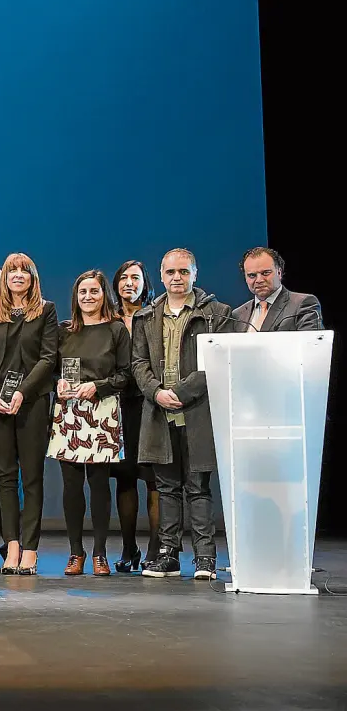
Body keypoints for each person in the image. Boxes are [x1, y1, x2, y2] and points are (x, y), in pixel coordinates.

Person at [134, 249, 232, 581]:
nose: (177, 278)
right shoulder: (146, 316)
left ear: (195, 274)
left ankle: (205, 557)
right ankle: (168, 555)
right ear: (161, 276)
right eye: (171, 272)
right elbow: (138, 363)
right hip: (159, 411)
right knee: (166, 487)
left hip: (197, 410)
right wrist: (156, 392)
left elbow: (216, 362)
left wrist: (182, 392)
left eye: (184, 272)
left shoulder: (216, 313)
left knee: (198, 486)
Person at [0, 253, 58, 576]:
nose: (18, 275)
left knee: (32, 477)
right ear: (5, 279)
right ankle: (12, 545)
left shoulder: (46, 311)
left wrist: (23, 391)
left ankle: (30, 548)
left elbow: (48, 358)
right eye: (12, 271)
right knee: (5, 478)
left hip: (32, 402)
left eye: (25, 271)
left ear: (33, 277)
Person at [47, 270, 130, 577]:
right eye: (82, 292)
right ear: (75, 297)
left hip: (102, 412)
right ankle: (75, 552)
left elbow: (126, 374)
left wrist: (98, 386)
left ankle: (99, 553)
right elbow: (51, 370)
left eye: (94, 291)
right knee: (71, 486)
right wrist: (57, 383)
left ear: (104, 294)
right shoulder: (64, 331)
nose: (88, 297)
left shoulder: (116, 329)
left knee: (98, 486)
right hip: (68, 413)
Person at [111, 260, 160, 572]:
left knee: (154, 481)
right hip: (118, 405)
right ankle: (129, 548)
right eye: (124, 277)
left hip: (150, 404)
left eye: (135, 277)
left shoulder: (155, 315)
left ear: (145, 283)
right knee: (125, 478)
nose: (129, 282)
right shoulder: (108, 318)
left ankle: (156, 548)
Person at [234, 247, 323, 332]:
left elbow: (311, 341)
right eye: (252, 275)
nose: (259, 280)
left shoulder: (302, 304)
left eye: (265, 273)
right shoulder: (237, 315)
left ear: (279, 273)